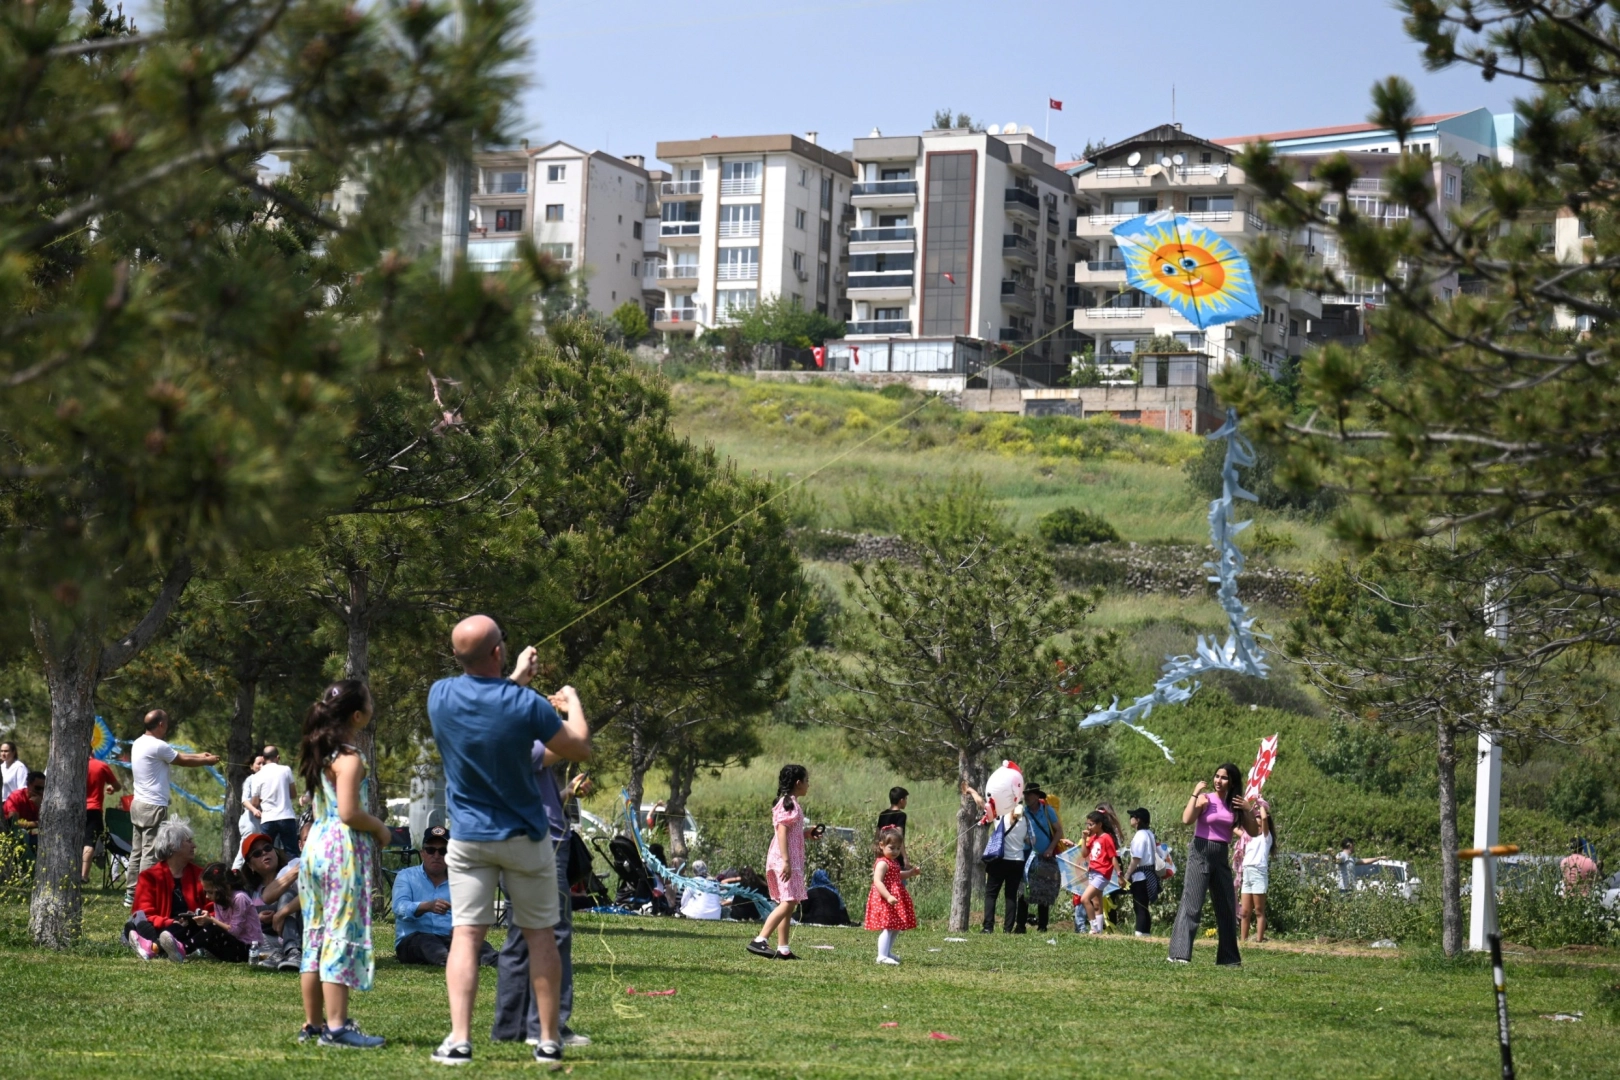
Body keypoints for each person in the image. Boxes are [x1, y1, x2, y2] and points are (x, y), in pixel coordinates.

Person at [426, 614, 591, 1069]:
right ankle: (548, 1042)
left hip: (469, 839)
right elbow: (579, 746)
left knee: (466, 937)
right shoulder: (528, 705)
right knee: (542, 937)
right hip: (525, 837)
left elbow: (486, 698)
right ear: (498, 652)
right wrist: (572, 701)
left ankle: (459, 1040)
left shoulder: (439, 696)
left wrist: (515, 676)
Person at [296, 680, 393, 1049]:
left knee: (315, 936)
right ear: (358, 715)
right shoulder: (349, 758)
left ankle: (313, 1024)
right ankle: (337, 1029)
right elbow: (350, 812)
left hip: (314, 851)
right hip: (341, 852)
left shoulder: (321, 754)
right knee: (338, 933)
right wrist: (381, 828)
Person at [126, 709, 220, 904]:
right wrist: (206, 761)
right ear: (161, 725)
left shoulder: (139, 742)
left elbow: (174, 754)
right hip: (153, 806)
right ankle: (143, 894)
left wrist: (199, 755)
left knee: (136, 850)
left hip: (138, 804)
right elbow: (181, 760)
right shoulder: (158, 746)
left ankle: (130, 892)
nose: (167, 726)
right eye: (166, 723)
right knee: (150, 851)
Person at [125, 820, 248, 962]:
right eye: (188, 841)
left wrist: (202, 918)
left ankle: (153, 947)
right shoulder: (149, 877)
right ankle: (160, 945)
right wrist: (170, 922)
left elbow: (215, 908)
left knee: (190, 927)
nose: (194, 845)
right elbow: (144, 913)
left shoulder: (201, 876)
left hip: (193, 929)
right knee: (135, 924)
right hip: (164, 927)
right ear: (173, 846)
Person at [1169, 763, 1256, 966]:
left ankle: (1229, 959)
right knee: (1193, 903)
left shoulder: (1236, 804)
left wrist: (1249, 810)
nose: (1218, 781)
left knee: (1226, 906)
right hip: (1200, 851)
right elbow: (1186, 819)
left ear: (1232, 781)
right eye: (1216, 776)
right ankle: (1179, 954)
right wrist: (1194, 795)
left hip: (1220, 854)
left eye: (1224, 778)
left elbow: (1254, 832)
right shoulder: (1205, 798)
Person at [748, 763, 826, 960]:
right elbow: (781, 831)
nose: (809, 785)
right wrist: (786, 861)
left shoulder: (790, 803)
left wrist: (806, 833)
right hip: (784, 859)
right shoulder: (787, 804)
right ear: (798, 783)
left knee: (788, 902)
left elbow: (789, 833)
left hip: (788, 858)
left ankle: (783, 948)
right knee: (789, 900)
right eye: (807, 781)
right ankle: (760, 939)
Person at [393, 827, 497, 968]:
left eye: (443, 851)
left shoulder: (461, 881)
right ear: (422, 853)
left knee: (479, 945)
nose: (436, 855)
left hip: (450, 938)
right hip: (413, 939)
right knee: (426, 942)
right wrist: (427, 906)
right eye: (431, 850)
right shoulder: (406, 876)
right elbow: (399, 908)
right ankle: (451, 960)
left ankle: (500, 961)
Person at [964, 781, 1027, 934]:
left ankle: (988, 927)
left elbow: (981, 803)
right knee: (1011, 896)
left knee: (991, 894)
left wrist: (971, 791)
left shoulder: (1000, 815)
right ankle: (1008, 929)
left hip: (999, 860)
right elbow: (1031, 841)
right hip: (1018, 861)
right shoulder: (1025, 820)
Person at [240, 831, 303, 970]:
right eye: (257, 853)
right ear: (250, 865)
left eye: (267, 848)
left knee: (286, 895)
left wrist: (279, 914)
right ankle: (283, 953)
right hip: (264, 938)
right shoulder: (249, 891)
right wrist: (257, 917)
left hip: (297, 930)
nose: (264, 853)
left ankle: (292, 951)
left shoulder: (290, 870)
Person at [864, 826, 918, 965]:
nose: (895, 851)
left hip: (894, 897)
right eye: (892, 847)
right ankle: (881, 956)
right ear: (882, 845)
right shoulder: (882, 863)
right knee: (888, 927)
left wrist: (911, 873)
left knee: (895, 927)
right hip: (884, 898)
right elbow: (877, 881)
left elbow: (897, 875)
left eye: (898, 848)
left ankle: (887, 952)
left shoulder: (893, 862)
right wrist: (888, 896)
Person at [1019, 785, 1064, 933]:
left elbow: (1058, 831)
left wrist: (1051, 848)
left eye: (1030, 795)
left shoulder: (1047, 810)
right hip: (1026, 856)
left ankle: (1043, 926)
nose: (1027, 797)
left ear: (1037, 796)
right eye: (1025, 795)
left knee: (1044, 890)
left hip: (1045, 856)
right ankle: (1020, 925)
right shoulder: (1022, 812)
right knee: (1024, 890)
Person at [199, 861, 263, 962]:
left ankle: (185, 948)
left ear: (226, 888)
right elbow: (220, 928)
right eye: (205, 892)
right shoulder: (219, 899)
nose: (207, 896)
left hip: (247, 949)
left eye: (210, 892)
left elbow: (234, 931)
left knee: (211, 928)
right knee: (196, 924)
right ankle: (178, 943)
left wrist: (211, 920)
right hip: (231, 943)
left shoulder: (240, 898)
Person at [250, 745, 300, 857]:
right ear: (278, 757)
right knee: (292, 852)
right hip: (286, 816)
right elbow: (293, 794)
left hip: (268, 819)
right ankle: (294, 874)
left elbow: (255, 803)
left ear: (263, 758)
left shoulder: (257, 776)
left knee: (266, 854)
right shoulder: (286, 770)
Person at [1239, 800, 1276, 943]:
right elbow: (1234, 827)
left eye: (1259, 822)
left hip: (1258, 873)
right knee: (1245, 912)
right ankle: (1243, 940)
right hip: (1247, 873)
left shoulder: (1266, 838)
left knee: (1259, 911)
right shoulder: (1249, 837)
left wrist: (1259, 803)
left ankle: (1259, 941)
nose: (1257, 824)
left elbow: (1265, 817)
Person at [1077, 811, 1118, 935]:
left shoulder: (1106, 838)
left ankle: (1094, 927)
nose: (1088, 827)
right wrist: (1084, 839)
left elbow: (1113, 857)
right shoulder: (1094, 838)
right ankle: (1099, 931)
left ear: (1099, 824)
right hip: (1093, 872)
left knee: (1084, 899)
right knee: (1096, 903)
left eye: (1091, 824)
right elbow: (1084, 854)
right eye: (1087, 824)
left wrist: (1119, 875)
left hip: (1102, 873)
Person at [82, 754, 120, 884]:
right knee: (89, 842)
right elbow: (117, 786)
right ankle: (84, 875)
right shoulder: (101, 765)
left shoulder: (72, 764)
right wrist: (112, 788)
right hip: (94, 809)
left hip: (74, 808)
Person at [1122, 807, 1160, 938]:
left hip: (1141, 874)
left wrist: (1127, 874)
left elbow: (1136, 858)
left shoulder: (1139, 836)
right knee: (1144, 905)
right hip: (1150, 874)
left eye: (1132, 817)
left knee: (1139, 906)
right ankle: (1146, 933)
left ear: (1138, 820)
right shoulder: (1150, 834)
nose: (1130, 819)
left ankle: (1139, 933)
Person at [233, 755, 265, 870]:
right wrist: (254, 810)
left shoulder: (268, 780)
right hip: (250, 819)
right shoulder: (250, 780)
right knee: (245, 848)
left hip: (263, 820)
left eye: (264, 763)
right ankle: (235, 872)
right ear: (251, 766)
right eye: (259, 763)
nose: (262, 766)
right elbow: (244, 800)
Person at [3, 771, 43, 838]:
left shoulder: (43, 799)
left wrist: (41, 807)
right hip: (13, 833)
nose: (41, 792)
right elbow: (13, 823)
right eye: (38, 788)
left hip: (32, 832)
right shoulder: (16, 797)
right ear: (28, 785)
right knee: (23, 833)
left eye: (43, 788)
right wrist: (36, 824)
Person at [877, 787, 908, 863]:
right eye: (906, 799)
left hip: (883, 851)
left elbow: (877, 834)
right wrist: (905, 857)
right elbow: (899, 836)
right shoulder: (901, 815)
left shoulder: (883, 814)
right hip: (896, 854)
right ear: (901, 800)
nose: (906, 802)